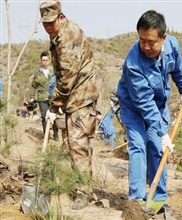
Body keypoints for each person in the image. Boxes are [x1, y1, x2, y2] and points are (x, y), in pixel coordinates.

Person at [117, 10, 182, 211]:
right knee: (139, 146)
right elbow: (144, 102)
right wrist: (162, 132)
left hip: (158, 104)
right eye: (142, 41)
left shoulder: (172, 46)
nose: (146, 46)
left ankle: (158, 200)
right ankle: (137, 201)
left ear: (163, 38)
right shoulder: (133, 63)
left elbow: (178, 68)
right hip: (133, 107)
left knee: (158, 148)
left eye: (151, 41)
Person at [39, 0, 99, 210]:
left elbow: (66, 79)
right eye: (44, 23)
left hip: (81, 96)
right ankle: (81, 185)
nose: (48, 26)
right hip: (73, 98)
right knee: (72, 142)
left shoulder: (67, 38)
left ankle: (84, 192)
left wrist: (53, 107)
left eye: (51, 22)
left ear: (61, 18)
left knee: (77, 142)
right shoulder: (57, 36)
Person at [31, 50, 59, 141]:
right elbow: (34, 85)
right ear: (41, 61)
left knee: (54, 115)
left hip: (52, 97)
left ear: (49, 61)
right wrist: (32, 97)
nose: (45, 62)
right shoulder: (37, 72)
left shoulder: (53, 71)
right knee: (44, 116)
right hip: (42, 97)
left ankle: (56, 133)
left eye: (46, 60)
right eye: (43, 60)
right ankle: (46, 135)